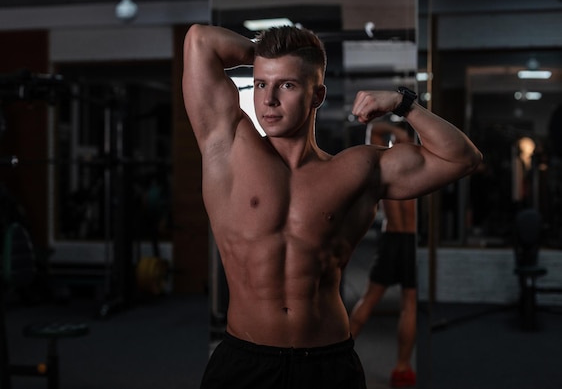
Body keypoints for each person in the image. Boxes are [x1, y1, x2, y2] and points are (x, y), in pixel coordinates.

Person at [182, 24, 482, 389]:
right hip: (245, 360)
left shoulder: (357, 170)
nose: (268, 100)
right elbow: (199, 39)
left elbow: (462, 159)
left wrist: (403, 104)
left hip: (326, 363)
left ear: (317, 95)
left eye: (287, 85)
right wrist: (266, 57)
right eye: (261, 84)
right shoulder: (226, 146)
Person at [349, 121, 418, 388]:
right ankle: (403, 368)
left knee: (368, 299)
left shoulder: (385, 166)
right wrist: (405, 136)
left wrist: (396, 132)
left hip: (393, 238)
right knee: (409, 304)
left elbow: (374, 131)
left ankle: (337, 356)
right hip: (410, 241)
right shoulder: (418, 166)